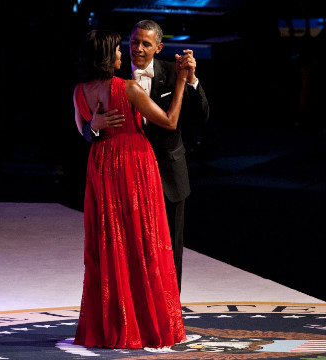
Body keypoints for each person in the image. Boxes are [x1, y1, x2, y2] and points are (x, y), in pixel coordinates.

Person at [72, 29, 189, 349]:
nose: (124, 55)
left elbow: (85, 134)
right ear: (106, 57)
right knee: (143, 243)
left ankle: (112, 324)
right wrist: (180, 82)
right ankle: (146, 325)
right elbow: (169, 120)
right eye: (117, 51)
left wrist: (95, 128)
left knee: (110, 244)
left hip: (100, 166)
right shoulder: (129, 88)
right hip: (134, 165)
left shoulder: (79, 92)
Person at [82, 20, 210, 293]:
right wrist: (94, 125)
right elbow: (84, 130)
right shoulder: (111, 81)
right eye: (133, 42)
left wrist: (192, 80)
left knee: (168, 251)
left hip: (167, 175)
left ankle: (169, 315)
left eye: (146, 44)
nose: (137, 49)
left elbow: (201, 116)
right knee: (129, 248)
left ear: (159, 48)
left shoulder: (174, 73)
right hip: (126, 176)